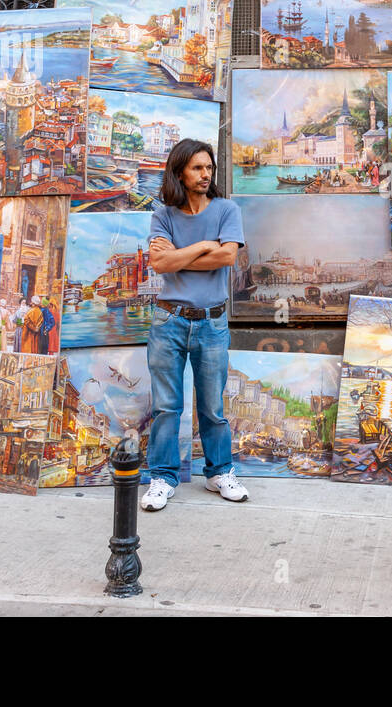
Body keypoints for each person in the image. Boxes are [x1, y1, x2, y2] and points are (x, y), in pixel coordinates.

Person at [140, 138, 246, 511]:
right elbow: (160, 265)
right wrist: (205, 246)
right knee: (167, 406)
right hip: (169, 321)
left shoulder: (227, 210)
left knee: (212, 406)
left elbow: (228, 256)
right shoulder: (163, 215)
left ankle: (219, 473)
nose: (206, 174)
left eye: (209, 168)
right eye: (198, 168)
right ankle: (162, 478)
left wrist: (180, 255)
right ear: (180, 172)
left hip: (212, 323)